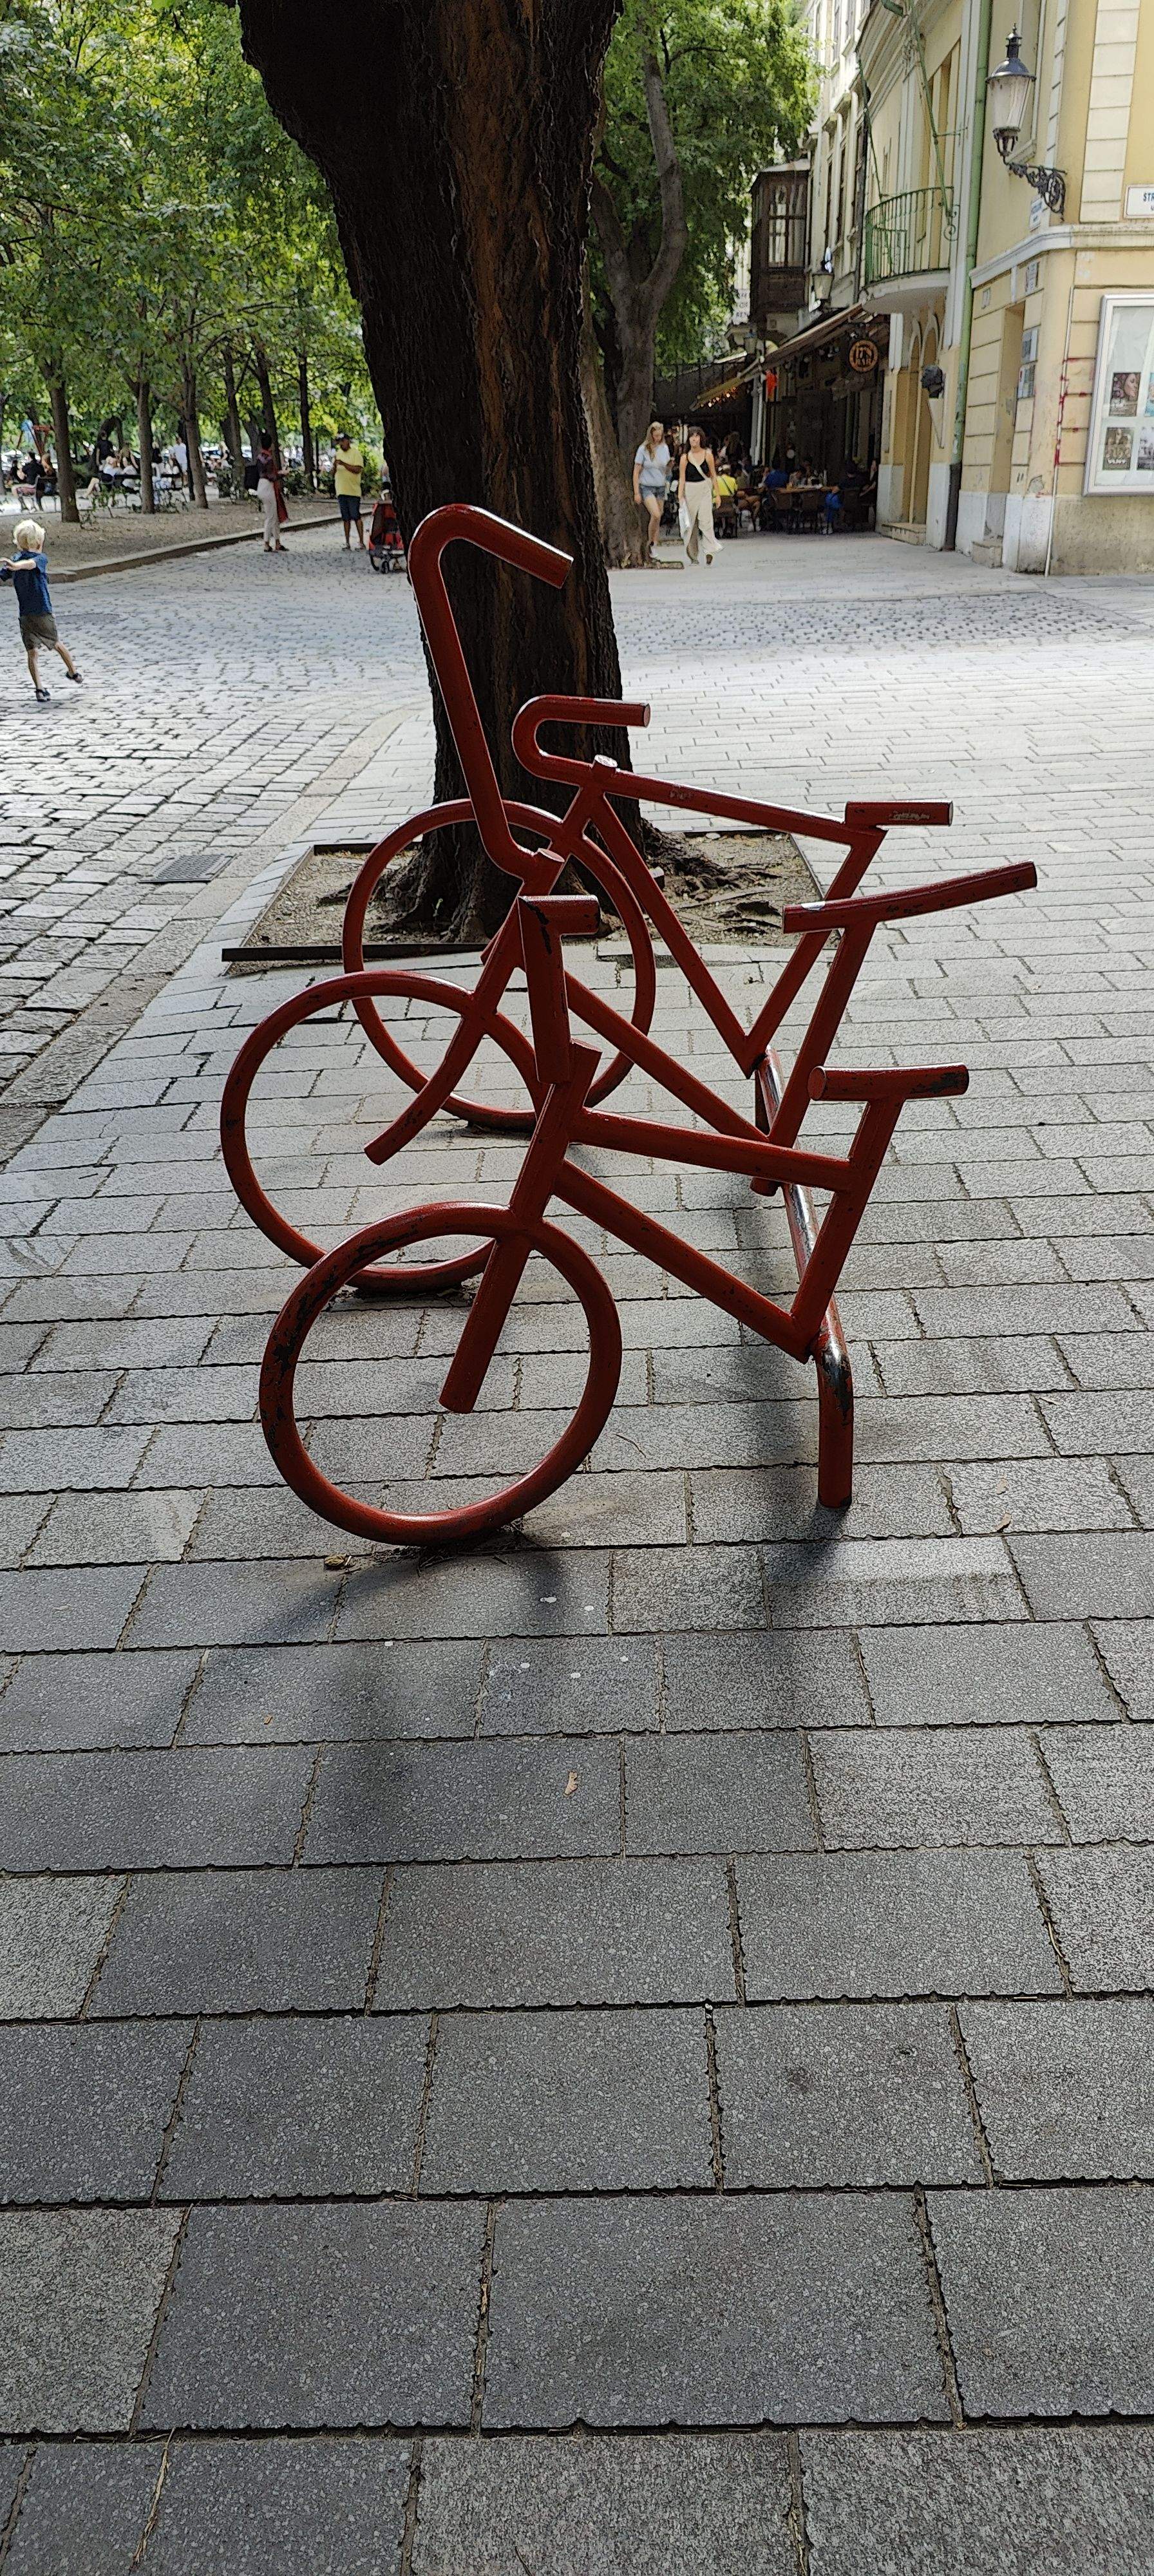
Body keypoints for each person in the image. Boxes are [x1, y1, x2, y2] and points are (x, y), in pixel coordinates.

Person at [1, 519, 82, 703]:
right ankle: (56, 679)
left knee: (42, 649)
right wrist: (13, 566)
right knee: (50, 646)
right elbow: (7, 572)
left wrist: (16, 566)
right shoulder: (25, 559)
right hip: (36, 613)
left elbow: (29, 564)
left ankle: (57, 679)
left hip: (32, 613)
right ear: (39, 542)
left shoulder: (30, 560)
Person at [677, 426, 717, 565]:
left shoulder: (708, 455)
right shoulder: (685, 458)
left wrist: (717, 495)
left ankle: (709, 551)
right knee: (691, 524)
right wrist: (680, 496)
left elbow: (713, 475)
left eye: (697, 436)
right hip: (690, 489)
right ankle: (693, 554)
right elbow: (682, 478)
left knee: (706, 521)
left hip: (704, 488)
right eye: (692, 436)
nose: (694, 439)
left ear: (701, 438)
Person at [632, 420, 670, 553]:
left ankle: (655, 543)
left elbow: (666, 467)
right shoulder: (643, 449)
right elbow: (636, 471)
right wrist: (637, 492)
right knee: (655, 514)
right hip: (647, 486)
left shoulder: (664, 448)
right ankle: (650, 542)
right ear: (651, 435)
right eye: (656, 436)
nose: (658, 438)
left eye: (660, 436)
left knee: (659, 515)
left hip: (660, 485)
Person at [334, 432, 366, 549]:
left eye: (343, 441)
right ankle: (347, 542)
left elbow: (358, 469)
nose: (341, 444)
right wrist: (334, 466)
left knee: (356, 516)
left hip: (353, 491)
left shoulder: (356, 454)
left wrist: (344, 464)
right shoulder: (338, 454)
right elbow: (333, 473)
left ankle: (361, 542)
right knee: (345, 518)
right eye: (339, 442)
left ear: (348, 441)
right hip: (341, 490)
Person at [256, 439, 287, 552]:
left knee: (273, 515)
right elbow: (271, 476)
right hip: (268, 487)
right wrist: (281, 475)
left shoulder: (260, 457)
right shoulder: (268, 459)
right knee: (271, 517)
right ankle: (267, 543)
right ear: (271, 445)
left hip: (262, 486)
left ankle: (277, 542)